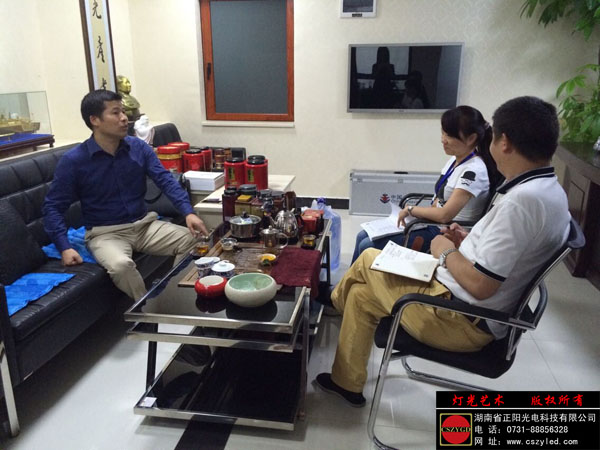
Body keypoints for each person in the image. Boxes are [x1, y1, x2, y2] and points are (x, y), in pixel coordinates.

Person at [315, 96, 570, 407]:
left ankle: (332, 303)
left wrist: (446, 250)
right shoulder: (549, 191)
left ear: (504, 142)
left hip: (459, 320)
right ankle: (346, 383)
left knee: (369, 258)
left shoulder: (523, 202)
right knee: (361, 295)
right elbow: (509, 253)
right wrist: (467, 240)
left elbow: (481, 285)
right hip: (460, 303)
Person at [43, 89, 208, 301]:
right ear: (95, 120)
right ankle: (145, 307)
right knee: (121, 265)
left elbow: (165, 180)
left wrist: (188, 212)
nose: (124, 118)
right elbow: (53, 207)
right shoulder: (74, 160)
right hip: (105, 233)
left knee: (195, 240)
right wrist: (64, 247)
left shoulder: (138, 148)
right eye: (115, 113)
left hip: (144, 225)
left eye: (123, 112)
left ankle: (169, 296)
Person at [352, 105, 500, 263]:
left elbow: (445, 215)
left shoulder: (474, 171)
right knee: (362, 235)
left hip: (447, 233)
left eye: (449, 135)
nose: (443, 140)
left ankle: (364, 277)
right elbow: (439, 202)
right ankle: (352, 280)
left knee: (367, 245)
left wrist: (411, 210)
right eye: (443, 132)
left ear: (471, 139)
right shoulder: (455, 160)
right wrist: (421, 212)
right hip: (433, 224)